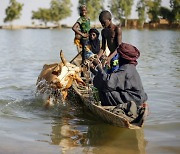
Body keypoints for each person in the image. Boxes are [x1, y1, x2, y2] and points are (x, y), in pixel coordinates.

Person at [91, 43, 148, 108]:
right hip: (139, 98)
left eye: (119, 55)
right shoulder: (131, 67)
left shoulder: (125, 69)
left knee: (104, 92)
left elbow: (107, 82)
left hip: (134, 100)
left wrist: (98, 67)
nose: (118, 57)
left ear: (122, 57)